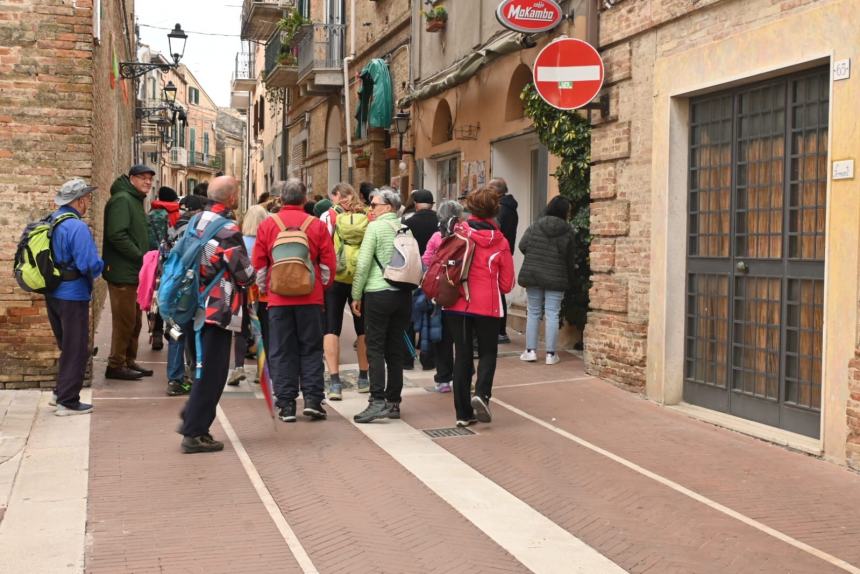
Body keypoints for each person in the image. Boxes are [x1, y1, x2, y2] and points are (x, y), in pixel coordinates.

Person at [179, 176, 255, 453]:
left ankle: (191, 416)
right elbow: (243, 273)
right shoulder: (227, 229)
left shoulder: (196, 221)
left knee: (201, 366)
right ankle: (195, 432)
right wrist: (252, 276)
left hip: (190, 302)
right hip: (216, 308)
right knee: (212, 371)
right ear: (232, 198)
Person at [252, 179, 335, 423]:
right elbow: (328, 265)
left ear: (281, 199)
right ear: (305, 198)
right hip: (310, 297)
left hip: (278, 299)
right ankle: (312, 400)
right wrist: (320, 287)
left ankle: (286, 404)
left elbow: (259, 265)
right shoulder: (316, 226)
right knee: (311, 348)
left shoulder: (268, 224)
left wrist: (267, 291)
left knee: (281, 350)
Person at [444, 186, 514, 427]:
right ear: (495, 210)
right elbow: (507, 284)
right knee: (487, 353)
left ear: (470, 208)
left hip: (457, 303)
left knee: (462, 355)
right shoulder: (500, 241)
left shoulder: (457, 233)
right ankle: (481, 394)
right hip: (487, 306)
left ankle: (462, 414)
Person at [350, 187, 413, 423]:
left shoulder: (375, 228)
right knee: (394, 348)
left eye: (374, 205)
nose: (370, 209)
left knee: (374, 347)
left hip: (378, 293)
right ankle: (393, 402)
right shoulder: (405, 227)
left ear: (387, 207)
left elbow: (364, 263)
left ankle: (376, 401)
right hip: (402, 294)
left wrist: (356, 295)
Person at [46, 179, 104, 415]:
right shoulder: (77, 227)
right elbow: (88, 264)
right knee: (76, 347)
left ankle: (59, 392)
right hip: (73, 294)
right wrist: (102, 266)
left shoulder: (51, 220)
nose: (89, 202)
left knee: (66, 344)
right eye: (87, 198)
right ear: (79, 201)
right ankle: (67, 402)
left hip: (52, 292)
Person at [103, 164, 155, 381]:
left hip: (135, 272)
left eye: (150, 179)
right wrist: (140, 256)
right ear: (132, 178)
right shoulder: (122, 200)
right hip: (123, 273)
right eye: (143, 178)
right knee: (124, 321)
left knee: (135, 321)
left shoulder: (134, 200)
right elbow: (117, 235)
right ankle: (115, 365)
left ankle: (128, 360)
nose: (148, 182)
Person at [321, 183, 370, 400]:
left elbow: (322, 245)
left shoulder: (328, 217)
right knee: (363, 329)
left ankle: (334, 382)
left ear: (338, 196)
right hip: (362, 276)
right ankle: (363, 378)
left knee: (331, 327)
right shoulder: (369, 216)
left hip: (335, 276)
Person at [518, 196, 576, 365]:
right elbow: (570, 259)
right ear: (564, 212)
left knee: (534, 312)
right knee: (552, 313)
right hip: (556, 276)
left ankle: (530, 351)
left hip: (533, 274)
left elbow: (522, 245)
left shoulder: (536, 225)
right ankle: (551, 355)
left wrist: (536, 257)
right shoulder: (568, 230)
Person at [421, 200, 465, 393]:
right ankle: (463, 377)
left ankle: (443, 379)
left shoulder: (436, 235)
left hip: (440, 294)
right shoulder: (466, 233)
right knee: (463, 339)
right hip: (462, 293)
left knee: (442, 339)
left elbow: (426, 260)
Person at [164, 196, 205, 397]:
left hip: (172, 286)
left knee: (176, 333)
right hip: (191, 287)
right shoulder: (198, 231)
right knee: (196, 331)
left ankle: (174, 379)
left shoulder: (171, 229)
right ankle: (196, 375)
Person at [227, 204, 270, 386]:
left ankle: (238, 368)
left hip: (243, 289)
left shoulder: (240, 241)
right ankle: (262, 370)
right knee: (264, 330)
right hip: (263, 290)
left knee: (241, 331)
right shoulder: (268, 240)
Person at [403, 189, 438, 370]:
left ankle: (407, 358)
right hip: (436, 276)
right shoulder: (441, 222)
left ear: (415, 203)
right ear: (432, 204)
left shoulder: (407, 223)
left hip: (413, 274)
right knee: (431, 316)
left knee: (409, 316)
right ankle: (428, 357)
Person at [147, 186, 181, 350]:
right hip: (171, 262)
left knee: (156, 297)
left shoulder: (151, 214)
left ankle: (156, 333)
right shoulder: (176, 214)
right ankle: (170, 329)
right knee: (171, 295)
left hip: (153, 261)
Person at [488, 178, 518, 344]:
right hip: (504, 251)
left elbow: (495, 230)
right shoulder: (508, 207)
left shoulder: (501, 209)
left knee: (497, 291)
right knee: (499, 290)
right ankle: (500, 330)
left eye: (489, 188)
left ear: (497, 191)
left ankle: (500, 330)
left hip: (497, 253)